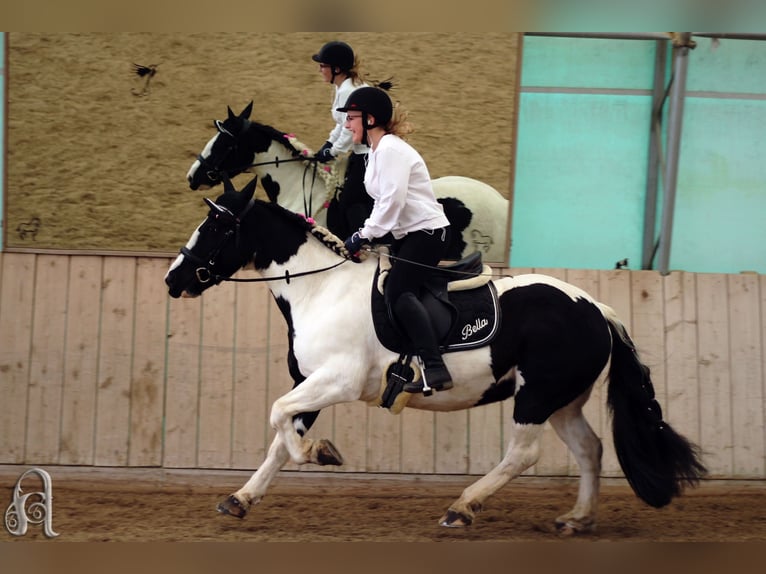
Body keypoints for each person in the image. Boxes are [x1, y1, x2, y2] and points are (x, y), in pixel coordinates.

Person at [337, 87, 454, 393]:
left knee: (399, 292)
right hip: (410, 233)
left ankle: (434, 367)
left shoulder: (390, 150)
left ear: (371, 118)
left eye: (351, 118)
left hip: (427, 234)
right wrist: (366, 235)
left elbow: (391, 202)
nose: (347, 125)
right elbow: (383, 206)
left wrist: (364, 234)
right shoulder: (376, 153)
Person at [311, 40, 374, 239]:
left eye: (323, 66)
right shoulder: (342, 87)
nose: (320, 70)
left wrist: (333, 151)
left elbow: (349, 132)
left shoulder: (347, 90)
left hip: (367, 155)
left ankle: (365, 245)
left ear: (336, 69)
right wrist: (329, 143)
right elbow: (342, 123)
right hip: (359, 153)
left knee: (351, 200)